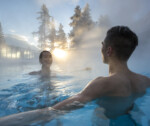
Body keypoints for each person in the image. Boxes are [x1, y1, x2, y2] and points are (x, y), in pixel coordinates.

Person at [1, 26, 150, 125]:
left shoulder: (103, 83)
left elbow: (53, 111)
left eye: (102, 44)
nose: (101, 48)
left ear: (108, 50)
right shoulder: (145, 81)